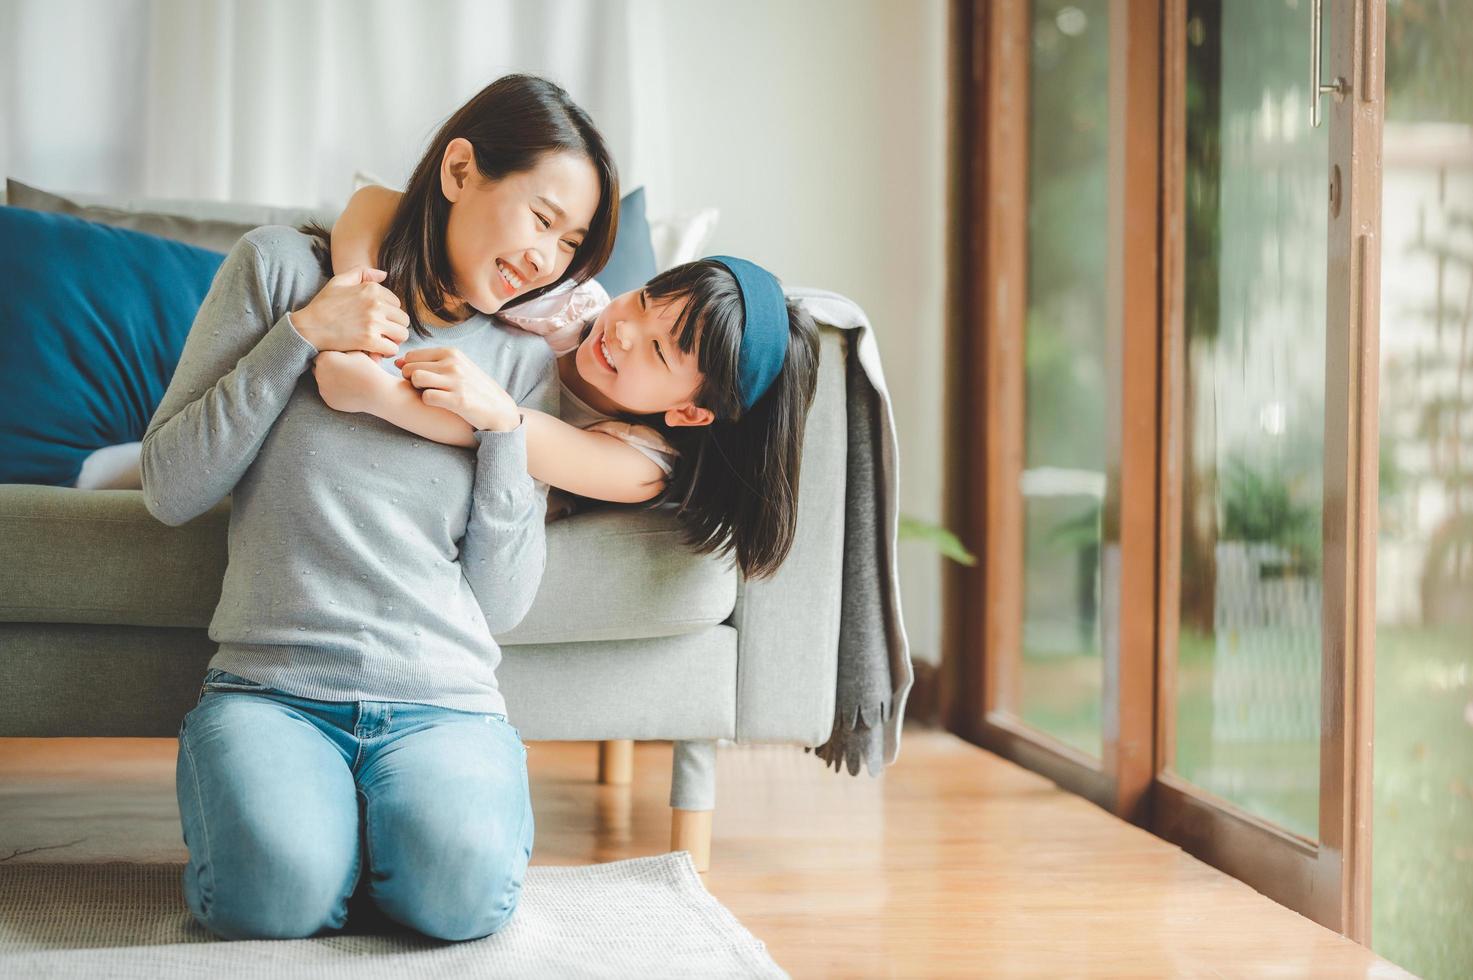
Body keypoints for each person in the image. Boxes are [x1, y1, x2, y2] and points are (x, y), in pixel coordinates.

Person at [139, 74, 619, 942]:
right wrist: (300, 336)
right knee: (272, 897)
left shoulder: (518, 365)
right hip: (271, 691)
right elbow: (171, 487)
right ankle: (326, 844)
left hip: (444, 700)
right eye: (542, 219)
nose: (548, 259)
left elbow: (501, 603)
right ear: (461, 170)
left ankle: (367, 841)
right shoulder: (282, 267)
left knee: (461, 900)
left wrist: (501, 431)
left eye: (570, 244)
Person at [316, 187, 821, 578]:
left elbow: (502, 432)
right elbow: (375, 204)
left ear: (689, 411)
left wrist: (377, 393)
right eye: (644, 300)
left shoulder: (641, 461)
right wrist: (361, 298)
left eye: (658, 350)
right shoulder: (574, 305)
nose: (623, 330)